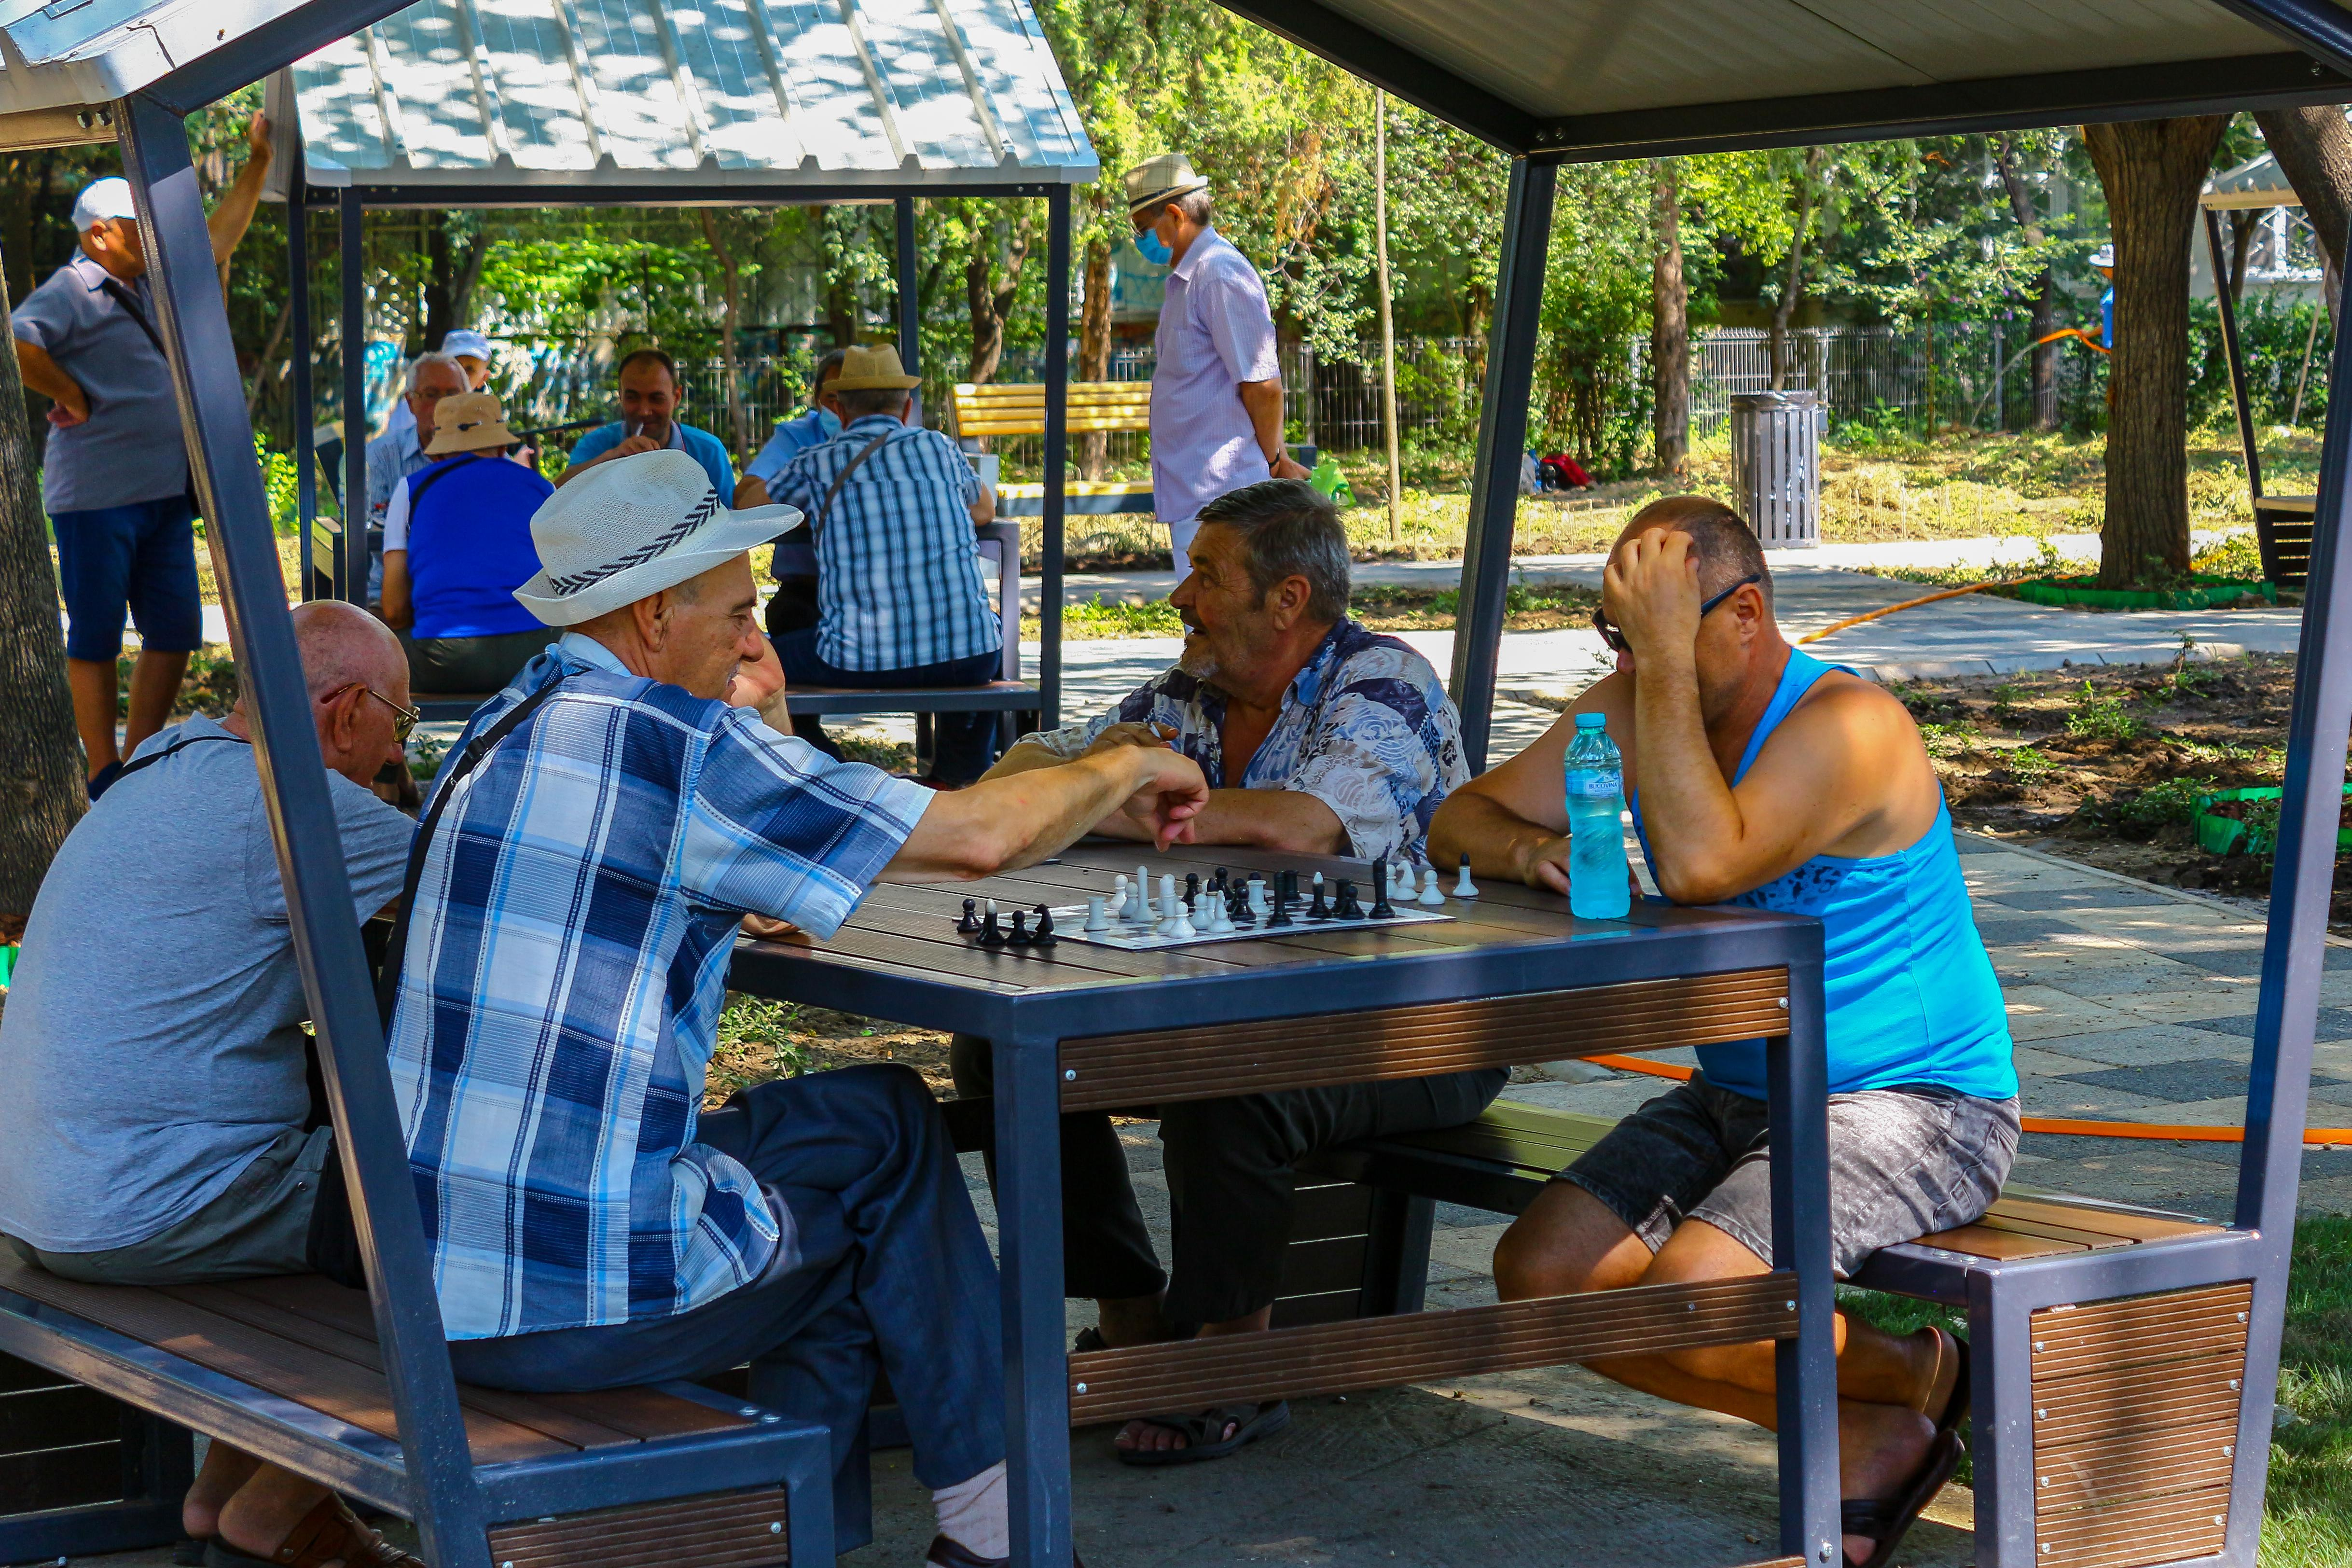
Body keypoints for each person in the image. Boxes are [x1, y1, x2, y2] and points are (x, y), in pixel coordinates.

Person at [385, 448, 1208, 1566]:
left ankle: (848, 1535)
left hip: (431, 1275)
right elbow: (979, 838)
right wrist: (1123, 764)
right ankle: (1005, 1533)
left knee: (856, 1164)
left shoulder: (498, 727)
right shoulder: (681, 750)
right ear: (654, 617)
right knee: (875, 1175)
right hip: (565, 1298)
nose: (750, 634)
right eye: (735, 608)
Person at [1427, 495, 2019, 1568]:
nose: (1629, 656)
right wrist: (1525, 851)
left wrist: (1649, 669)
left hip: (1918, 1101)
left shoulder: (1850, 726)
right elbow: (1456, 819)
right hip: (1745, 1090)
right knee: (1541, 1277)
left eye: (1656, 625)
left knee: (1693, 1302)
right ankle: (1888, 1403)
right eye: (1617, 630)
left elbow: (1703, 861)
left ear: (1745, 613)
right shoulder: (1645, 701)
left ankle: (1918, 1385)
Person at [962, 477, 1489, 1466]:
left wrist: (1102, 797)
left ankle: (1230, 1356)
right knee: (1007, 1042)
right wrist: (1096, 777)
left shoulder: (1381, 680)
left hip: (1423, 1024)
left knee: (1230, 1073)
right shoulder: (1185, 693)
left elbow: (1302, 827)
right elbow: (1013, 779)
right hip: (1248, 998)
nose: (1179, 598)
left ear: (1286, 598)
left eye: (1205, 574)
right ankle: (1130, 1316)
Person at [0, 601, 425, 1568]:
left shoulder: (162, 770)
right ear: (346, 710)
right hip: (137, 1206)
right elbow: (505, 883)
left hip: (41, 1191)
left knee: (340, 1142)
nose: (394, 759)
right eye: (397, 723)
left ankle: (231, 1487)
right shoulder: (292, 807)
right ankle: (280, 1497)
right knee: (457, 1193)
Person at [13, 118, 274, 797]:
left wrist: (258, 163)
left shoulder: (153, 280)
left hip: (163, 492)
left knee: (177, 629)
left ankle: (137, 762)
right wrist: (71, 391)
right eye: (137, 225)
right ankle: (101, 768)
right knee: (97, 632)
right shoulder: (74, 288)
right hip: (97, 496)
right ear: (100, 233)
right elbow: (18, 342)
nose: (151, 234)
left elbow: (218, 238)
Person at [764, 345, 1003, 784]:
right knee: (979, 634)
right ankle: (956, 777)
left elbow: (753, 504)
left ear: (837, 406)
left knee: (757, 661)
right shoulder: (940, 448)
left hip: (856, 657)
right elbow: (985, 508)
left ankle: (831, 774)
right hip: (969, 660)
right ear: (908, 406)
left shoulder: (819, 460)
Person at [1124, 153, 1309, 571]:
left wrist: (1275, 462)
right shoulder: (1190, 279)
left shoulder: (1219, 274)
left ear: (1174, 215)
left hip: (1225, 496)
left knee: (1225, 626)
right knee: (1209, 628)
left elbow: (1262, 386)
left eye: (1143, 228)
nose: (1141, 240)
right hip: (1201, 493)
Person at [379, 390, 555, 693]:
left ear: (436, 454)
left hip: (446, 661)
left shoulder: (412, 489)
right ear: (502, 447)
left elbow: (395, 610)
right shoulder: (543, 488)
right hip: (535, 658)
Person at [363, 351, 470, 603]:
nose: (442, 406)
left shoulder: (489, 457)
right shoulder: (379, 456)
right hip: (395, 596)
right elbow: (366, 535)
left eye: (452, 396)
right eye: (431, 395)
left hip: (470, 595)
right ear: (411, 403)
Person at [557, 346, 733, 494]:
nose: (644, 411)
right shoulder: (597, 445)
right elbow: (555, 497)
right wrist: (612, 458)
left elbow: (730, 517)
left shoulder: (708, 451)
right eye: (633, 398)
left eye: (657, 398)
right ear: (621, 396)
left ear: (677, 397)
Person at [380, 328, 494, 448]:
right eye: (454, 365)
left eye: (469, 369)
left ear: (483, 379)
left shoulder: (487, 421)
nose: (460, 374)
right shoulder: (413, 408)